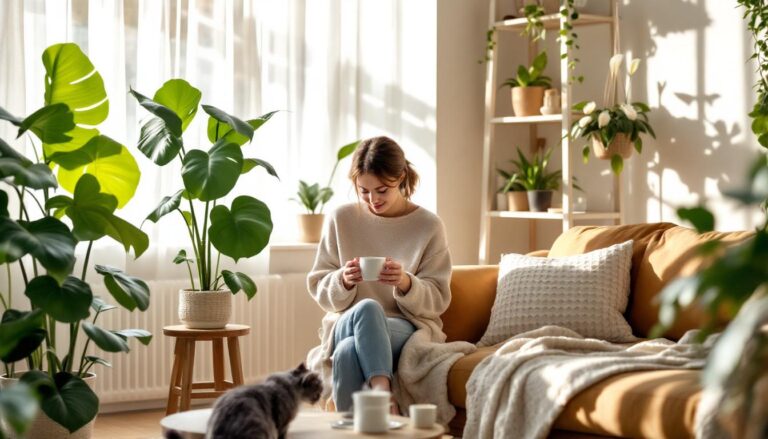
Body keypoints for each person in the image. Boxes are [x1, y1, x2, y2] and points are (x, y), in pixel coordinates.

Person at [305, 136, 452, 415]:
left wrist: (406, 282)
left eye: (382, 190)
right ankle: (383, 396)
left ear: (401, 177)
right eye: (364, 191)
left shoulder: (428, 226)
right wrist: (343, 280)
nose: (373, 200)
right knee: (366, 310)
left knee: (348, 351)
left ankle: (353, 432)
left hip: (403, 327)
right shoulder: (341, 219)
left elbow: (439, 298)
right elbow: (318, 285)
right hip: (347, 321)